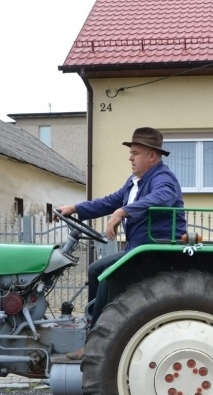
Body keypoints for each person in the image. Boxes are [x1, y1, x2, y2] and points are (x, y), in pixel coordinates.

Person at [57, 127, 186, 358]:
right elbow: (110, 201)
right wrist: (76, 208)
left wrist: (123, 212)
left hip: (155, 249)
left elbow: (163, 197)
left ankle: (95, 342)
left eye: (135, 153)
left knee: (103, 273)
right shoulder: (134, 182)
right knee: (98, 270)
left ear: (152, 156)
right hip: (138, 247)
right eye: (131, 153)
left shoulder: (163, 178)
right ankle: (94, 327)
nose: (130, 157)